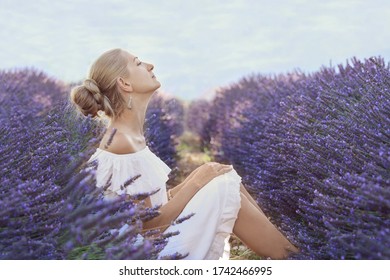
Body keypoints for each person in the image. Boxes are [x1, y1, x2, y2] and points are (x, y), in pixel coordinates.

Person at [70, 48, 298, 260]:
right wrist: (197, 182)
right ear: (124, 83)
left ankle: (294, 254)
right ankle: (297, 260)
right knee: (222, 187)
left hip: (154, 242)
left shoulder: (129, 135)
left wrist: (198, 177)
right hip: (148, 256)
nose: (150, 65)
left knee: (223, 178)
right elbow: (149, 223)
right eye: (138, 63)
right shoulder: (121, 140)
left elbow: (150, 204)